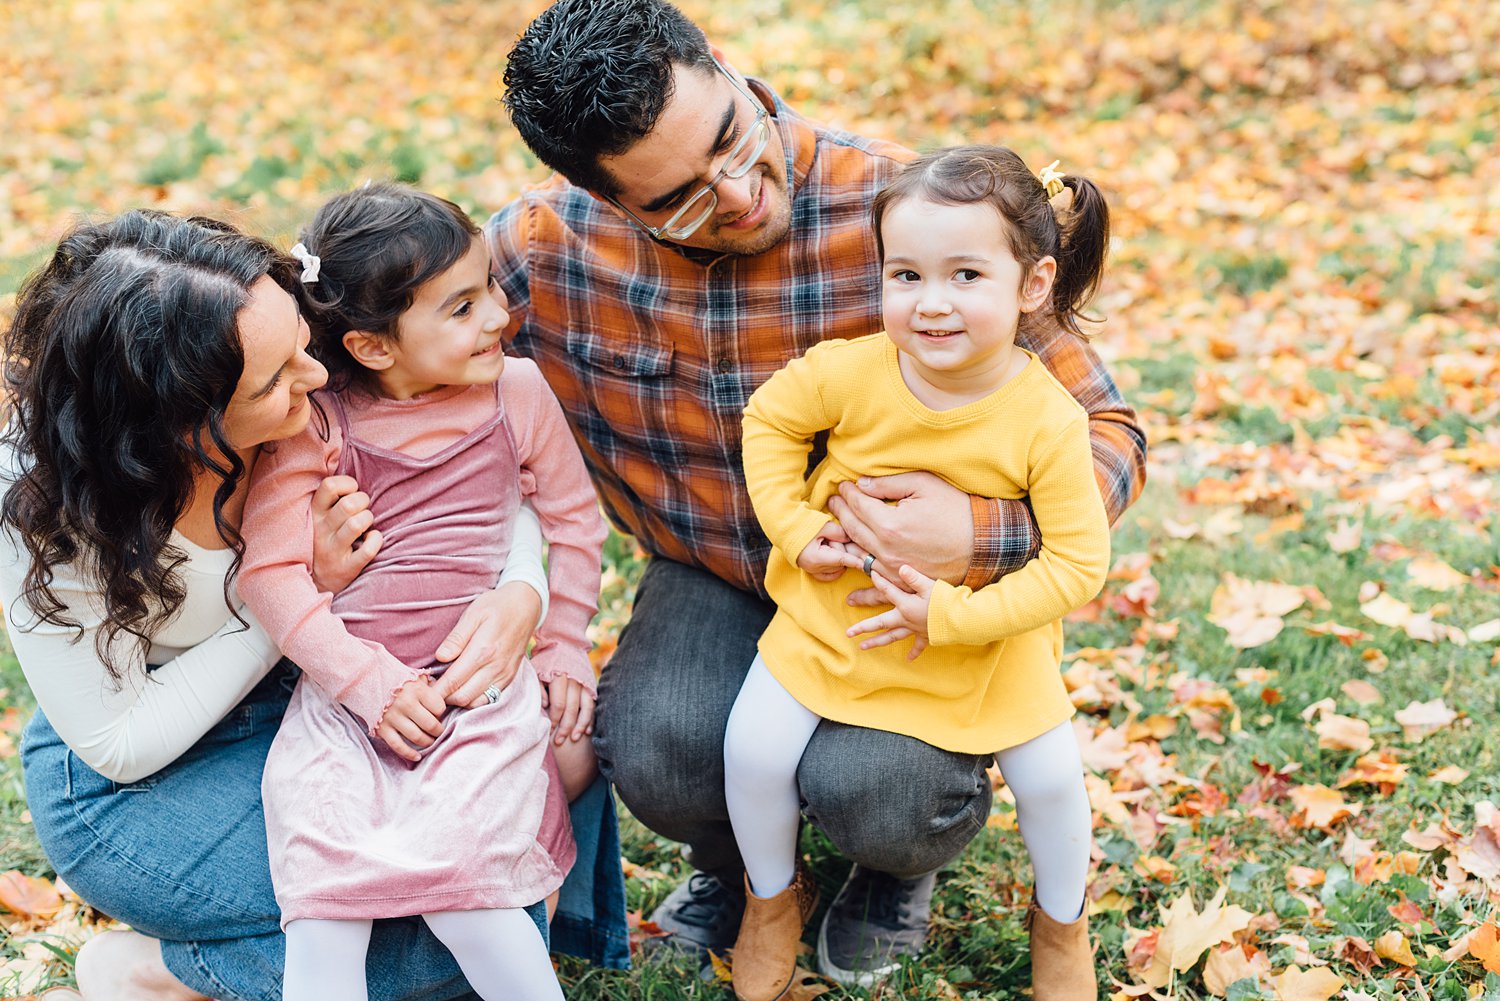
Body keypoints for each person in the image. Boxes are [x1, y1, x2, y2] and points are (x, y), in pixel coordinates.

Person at [493, 0, 1146, 982]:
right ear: (598, 195)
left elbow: (1109, 430)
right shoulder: (542, 252)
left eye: (732, 140)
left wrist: (982, 532)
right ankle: (745, 870)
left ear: (718, 62)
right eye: (681, 196)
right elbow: (395, 375)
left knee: (882, 786)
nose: (741, 193)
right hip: (712, 565)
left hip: (904, 591)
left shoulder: (913, 210)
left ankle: (891, 869)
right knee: (662, 745)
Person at [0, 211, 577, 1001]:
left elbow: (471, 472)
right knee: (440, 929)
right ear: (175, 423)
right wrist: (303, 591)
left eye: (303, 343)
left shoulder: (304, 396)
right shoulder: (44, 503)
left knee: (521, 842)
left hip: (321, 694)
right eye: (274, 380)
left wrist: (523, 587)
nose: (317, 378)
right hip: (149, 772)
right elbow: (119, 739)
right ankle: (156, 971)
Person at [725, 146, 1109, 1001]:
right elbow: (769, 421)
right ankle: (769, 899)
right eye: (906, 274)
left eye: (966, 274)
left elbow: (1079, 562)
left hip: (982, 640)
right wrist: (795, 527)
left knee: (1050, 780)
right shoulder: (852, 369)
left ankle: (1063, 923)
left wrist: (952, 615)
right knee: (751, 750)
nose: (931, 304)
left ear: (1032, 285)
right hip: (835, 618)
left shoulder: (1046, 417)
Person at [234, 184, 606, 1001]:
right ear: (371, 346)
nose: (498, 318)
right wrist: (362, 682)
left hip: (476, 691)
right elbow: (270, 573)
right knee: (324, 907)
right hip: (346, 700)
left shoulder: (516, 393)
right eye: (462, 307)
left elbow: (576, 523)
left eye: (490, 291)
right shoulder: (320, 423)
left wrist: (565, 640)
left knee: (473, 893)